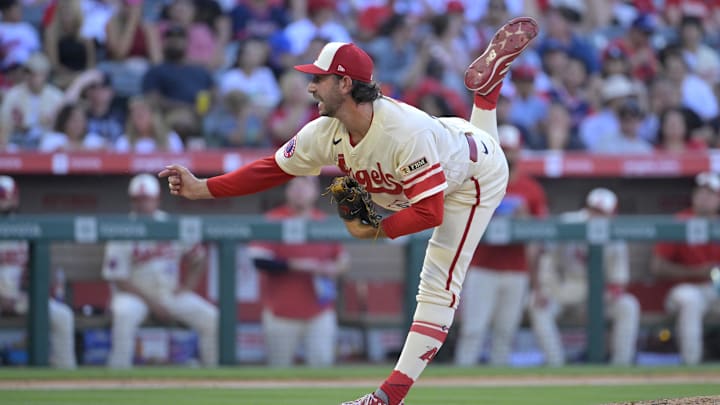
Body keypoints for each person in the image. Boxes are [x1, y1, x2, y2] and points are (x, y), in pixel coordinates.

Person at [160, 17, 538, 405]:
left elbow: (430, 213)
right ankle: (487, 96)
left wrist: (376, 231)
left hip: (473, 178)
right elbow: (272, 169)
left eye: (319, 79)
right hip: (448, 142)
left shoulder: (403, 132)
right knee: (377, 191)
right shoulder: (324, 130)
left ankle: (388, 398)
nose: (310, 86)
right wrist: (204, 187)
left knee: (439, 284)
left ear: (344, 83)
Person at [453, 124, 548, 367]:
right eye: (503, 150)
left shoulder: (531, 189)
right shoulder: (478, 182)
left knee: (505, 335)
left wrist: (524, 218)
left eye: (512, 150)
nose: (508, 155)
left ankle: (497, 386)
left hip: (517, 269)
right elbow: (461, 222)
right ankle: (461, 385)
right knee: (473, 331)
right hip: (484, 266)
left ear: (519, 152)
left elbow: (542, 236)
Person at [102, 173, 218, 368]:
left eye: (147, 199)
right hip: (133, 296)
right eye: (138, 200)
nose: (143, 204)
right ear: (132, 201)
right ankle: (117, 373)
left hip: (168, 293)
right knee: (124, 315)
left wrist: (188, 286)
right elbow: (119, 279)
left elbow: (198, 257)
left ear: (157, 199)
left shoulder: (170, 225)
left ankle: (213, 372)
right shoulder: (122, 229)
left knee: (211, 317)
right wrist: (153, 304)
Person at [529, 187, 640, 366]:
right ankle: (555, 364)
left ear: (612, 214)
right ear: (587, 208)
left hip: (596, 293)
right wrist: (541, 289)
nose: (596, 215)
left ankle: (621, 365)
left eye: (602, 212)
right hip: (562, 287)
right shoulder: (568, 222)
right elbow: (544, 255)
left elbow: (619, 281)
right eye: (594, 210)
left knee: (628, 305)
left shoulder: (615, 235)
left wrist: (605, 300)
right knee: (537, 304)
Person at [248, 176, 349, 367]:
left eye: (305, 185)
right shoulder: (273, 219)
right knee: (279, 371)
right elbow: (258, 260)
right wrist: (296, 264)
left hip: (319, 311)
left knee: (322, 370)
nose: (300, 190)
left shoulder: (323, 222)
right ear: (287, 190)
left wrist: (332, 268)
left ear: (314, 191)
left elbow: (342, 260)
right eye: (295, 185)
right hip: (281, 312)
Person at [0, 175, 76, 369]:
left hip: (18, 297)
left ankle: (64, 375)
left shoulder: (26, 227)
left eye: (6, 197)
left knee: (62, 316)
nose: (3, 202)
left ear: (15, 199)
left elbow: (38, 270)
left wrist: (30, 291)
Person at [650, 172, 720, 365]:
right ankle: (691, 366)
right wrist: (697, 272)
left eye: (711, 193)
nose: (705, 197)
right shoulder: (679, 221)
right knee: (691, 300)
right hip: (683, 289)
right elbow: (657, 267)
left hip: (715, 290)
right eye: (701, 192)